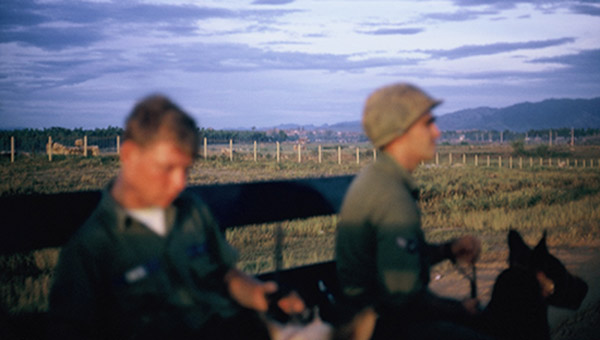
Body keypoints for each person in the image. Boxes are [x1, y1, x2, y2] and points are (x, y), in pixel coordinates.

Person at [48, 94, 304, 339]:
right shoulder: (90, 250)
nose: (180, 183)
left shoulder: (192, 211)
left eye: (187, 169)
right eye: (168, 168)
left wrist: (261, 293)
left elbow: (225, 275)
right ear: (129, 155)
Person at [335, 83, 492, 340]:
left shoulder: (379, 179)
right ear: (400, 133)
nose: (437, 133)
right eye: (427, 124)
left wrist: (447, 250)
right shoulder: (393, 198)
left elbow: (395, 260)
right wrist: (459, 309)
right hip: (384, 328)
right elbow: (403, 301)